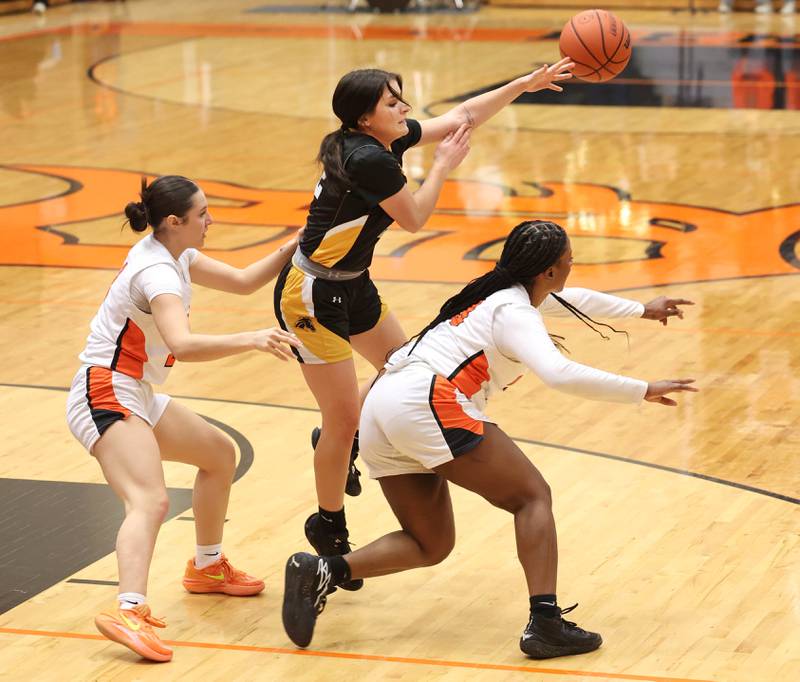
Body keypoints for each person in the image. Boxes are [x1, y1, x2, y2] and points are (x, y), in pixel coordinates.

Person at [281, 220, 698, 658]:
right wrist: (642, 389)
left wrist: (640, 309)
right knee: (532, 496)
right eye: (570, 262)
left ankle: (322, 571)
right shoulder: (514, 311)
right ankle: (546, 622)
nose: (572, 269)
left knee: (430, 543)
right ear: (548, 273)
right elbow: (558, 373)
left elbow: (571, 301)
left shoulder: (500, 292)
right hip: (425, 402)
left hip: (383, 406)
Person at [273, 62, 575, 587]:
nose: (405, 110)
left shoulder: (372, 137)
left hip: (351, 281)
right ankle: (329, 524)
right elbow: (414, 218)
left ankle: (340, 443)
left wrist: (521, 85)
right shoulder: (369, 158)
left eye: (402, 100)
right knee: (344, 420)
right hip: (313, 293)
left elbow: (461, 116)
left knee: (398, 365)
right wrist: (442, 167)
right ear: (366, 118)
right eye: (393, 103)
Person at [66, 175, 301, 662]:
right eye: (203, 214)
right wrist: (253, 338)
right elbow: (183, 345)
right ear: (175, 222)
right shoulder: (157, 274)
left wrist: (296, 241)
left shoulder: (176, 254)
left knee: (219, 455)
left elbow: (242, 281)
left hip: (137, 389)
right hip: (107, 388)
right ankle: (130, 610)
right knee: (149, 500)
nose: (210, 220)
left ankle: (207, 567)